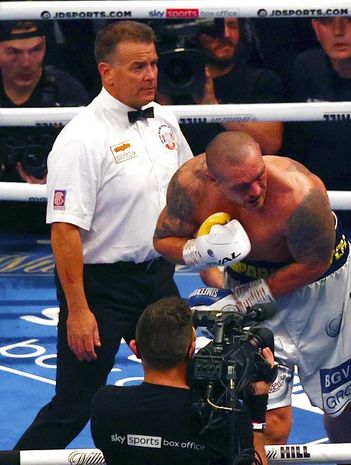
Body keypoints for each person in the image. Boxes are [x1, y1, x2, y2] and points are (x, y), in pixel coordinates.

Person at [13, 20, 194, 450]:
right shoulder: (81, 139)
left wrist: (205, 258)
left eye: (153, 64)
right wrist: (78, 310)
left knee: (188, 381)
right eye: (137, 67)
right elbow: (64, 230)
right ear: (106, 72)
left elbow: (191, 186)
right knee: (75, 403)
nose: (151, 74)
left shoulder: (164, 120)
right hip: (100, 288)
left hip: (157, 276)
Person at [152, 130, 351, 445]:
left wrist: (245, 298)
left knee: (338, 398)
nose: (256, 190)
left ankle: (350, 455)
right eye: (242, 186)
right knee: (265, 409)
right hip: (245, 280)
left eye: (259, 176)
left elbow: (315, 263)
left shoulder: (300, 192)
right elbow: (162, 240)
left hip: (321, 287)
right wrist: (201, 252)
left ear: (260, 154)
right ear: (214, 180)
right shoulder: (191, 187)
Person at [90, 296, 274, 465]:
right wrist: (257, 413)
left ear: (135, 349)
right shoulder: (222, 416)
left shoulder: (106, 404)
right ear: (191, 350)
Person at [287, 15, 351, 229]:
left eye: (350, 19)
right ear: (316, 29)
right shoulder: (305, 68)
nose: (338, 31)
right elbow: (293, 145)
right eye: (327, 21)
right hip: (321, 214)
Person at [0, 20, 89, 232]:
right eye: (14, 52)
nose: (26, 62)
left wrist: (62, 172)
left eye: (36, 50)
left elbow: (94, 155)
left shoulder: (67, 91)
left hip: (60, 216)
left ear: (45, 45)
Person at [158, 17, 284, 155]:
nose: (226, 35)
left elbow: (271, 144)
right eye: (213, 29)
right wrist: (163, 106)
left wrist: (214, 108)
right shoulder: (170, 80)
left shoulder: (261, 80)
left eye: (232, 26)